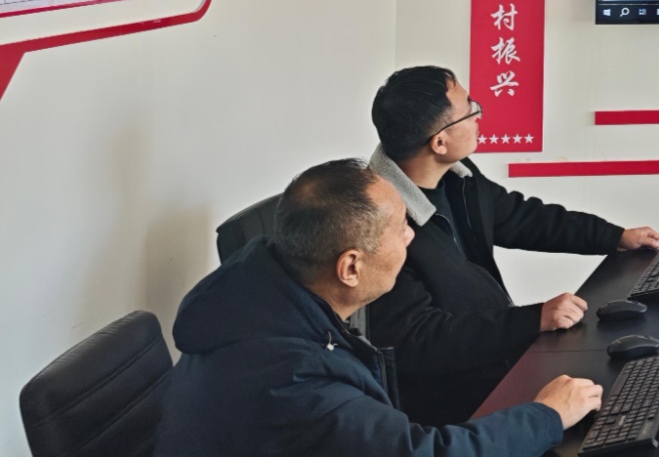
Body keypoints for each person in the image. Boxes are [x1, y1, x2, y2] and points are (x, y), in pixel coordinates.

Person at [156, 159, 601, 457]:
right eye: (400, 228)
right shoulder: (292, 380)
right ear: (351, 266)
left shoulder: (257, 291)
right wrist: (547, 415)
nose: (411, 236)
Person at [365, 65, 659, 426]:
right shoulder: (378, 227)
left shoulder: (458, 176)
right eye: (469, 109)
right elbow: (420, 340)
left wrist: (613, 236)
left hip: (496, 359)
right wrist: (532, 319)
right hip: (453, 406)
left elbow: (521, 217)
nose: (479, 115)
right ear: (439, 142)